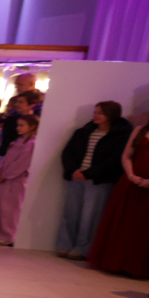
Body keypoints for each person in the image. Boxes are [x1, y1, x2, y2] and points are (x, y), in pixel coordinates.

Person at [89, 93, 149, 279]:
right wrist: (132, 176)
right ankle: (117, 262)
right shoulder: (141, 129)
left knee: (148, 225)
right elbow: (126, 156)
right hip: (132, 180)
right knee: (125, 222)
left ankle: (140, 266)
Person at [56, 102, 130, 260]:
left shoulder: (120, 135)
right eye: (95, 112)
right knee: (70, 213)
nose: (95, 116)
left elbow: (114, 160)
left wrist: (89, 173)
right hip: (76, 178)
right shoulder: (83, 131)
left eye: (100, 113)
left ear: (111, 115)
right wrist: (73, 170)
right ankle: (65, 244)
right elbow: (67, 153)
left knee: (90, 216)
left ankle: (83, 248)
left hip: (99, 180)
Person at [0, 78, 39, 236]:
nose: (17, 104)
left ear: (31, 105)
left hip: (17, 160)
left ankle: (5, 231)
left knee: (10, 199)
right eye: (17, 102)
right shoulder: (11, 119)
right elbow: (0, 137)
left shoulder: (35, 122)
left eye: (21, 102)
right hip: (1, 156)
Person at [0, 114, 38, 246]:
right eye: (18, 125)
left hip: (16, 180)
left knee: (10, 209)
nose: (18, 128)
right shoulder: (17, 141)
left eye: (22, 125)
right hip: (5, 179)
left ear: (32, 127)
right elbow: (5, 159)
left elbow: (21, 164)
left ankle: (8, 235)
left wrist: (5, 175)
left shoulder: (31, 144)